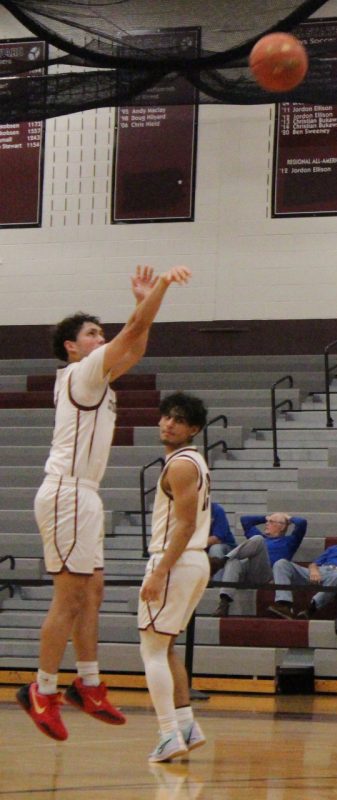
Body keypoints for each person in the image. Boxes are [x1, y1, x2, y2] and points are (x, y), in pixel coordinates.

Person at [18, 263, 191, 742]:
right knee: (69, 596)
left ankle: (88, 684)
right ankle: (42, 690)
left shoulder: (100, 375)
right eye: (93, 333)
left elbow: (134, 342)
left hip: (84, 495)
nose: (102, 338)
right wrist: (156, 291)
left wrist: (141, 306)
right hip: (67, 491)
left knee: (92, 592)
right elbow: (134, 333)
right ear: (73, 346)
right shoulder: (81, 371)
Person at [136, 392, 212, 762]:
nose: (168, 423)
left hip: (176, 561)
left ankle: (167, 733)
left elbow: (184, 524)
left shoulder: (181, 465)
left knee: (150, 649)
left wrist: (160, 570)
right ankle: (185, 725)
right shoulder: (194, 461)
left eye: (178, 420)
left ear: (193, 429)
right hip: (193, 562)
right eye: (166, 416)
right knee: (165, 648)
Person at [210, 511, 307, 617]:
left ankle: (222, 561)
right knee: (234, 561)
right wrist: (265, 518)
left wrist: (288, 519)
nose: (266, 523)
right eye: (267, 521)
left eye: (271, 522)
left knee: (258, 539)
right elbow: (245, 520)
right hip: (249, 571)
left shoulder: (289, 541)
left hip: (266, 575)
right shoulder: (261, 537)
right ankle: (224, 603)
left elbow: (302, 523)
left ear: (282, 527)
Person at [268, 516, 337, 619]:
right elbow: (314, 564)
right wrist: (314, 571)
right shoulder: (333, 548)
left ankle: (311, 608)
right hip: (320, 571)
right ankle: (285, 605)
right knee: (281, 563)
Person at [206, 501, 234, 579]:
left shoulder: (216, 510)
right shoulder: (187, 512)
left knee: (215, 548)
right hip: (203, 547)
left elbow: (217, 539)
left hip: (226, 548)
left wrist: (193, 543)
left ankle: (217, 585)